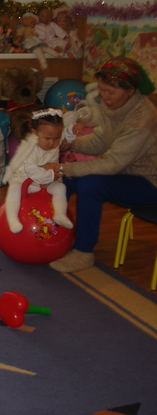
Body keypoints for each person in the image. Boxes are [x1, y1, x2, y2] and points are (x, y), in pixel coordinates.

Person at [42, 56, 157, 272]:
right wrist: (70, 144)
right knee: (65, 180)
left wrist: (64, 167)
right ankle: (50, 234)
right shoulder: (113, 106)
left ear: (130, 91)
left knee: (90, 185)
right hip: (126, 171)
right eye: (102, 89)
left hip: (149, 183)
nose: (104, 96)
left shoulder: (142, 120)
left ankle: (83, 253)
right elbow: (101, 140)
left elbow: (112, 164)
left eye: (111, 92)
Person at [2, 107, 80, 233]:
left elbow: (65, 136)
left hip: (47, 179)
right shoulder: (31, 148)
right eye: (47, 138)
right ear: (34, 133)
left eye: (56, 138)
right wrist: (51, 176)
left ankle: (59, 214)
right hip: (25, 179)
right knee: (14, 188)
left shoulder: (54, 138)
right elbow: (31, 170)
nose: (52, 143)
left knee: (61, 188)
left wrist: (72, 130)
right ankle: (12, 219)